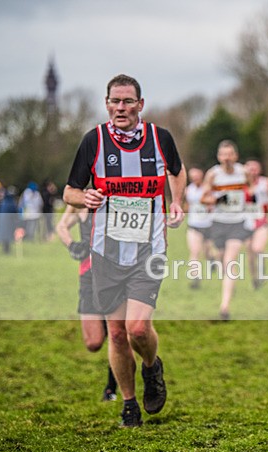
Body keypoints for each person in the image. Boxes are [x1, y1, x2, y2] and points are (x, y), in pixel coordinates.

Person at [63, 74, 186, 427]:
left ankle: (152, 367)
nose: (121, 108)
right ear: (107, 105)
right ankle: (129, 403)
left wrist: (176, 201)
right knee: (116, 332)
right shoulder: (94, 141)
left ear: (140, 105)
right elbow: (70, 191)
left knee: (137, 328)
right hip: (105, 252)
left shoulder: (160, 139)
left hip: (150, 248)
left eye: (128, 101)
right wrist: (82, 196)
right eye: (115, 101)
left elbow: (178, 171)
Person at [56, 204, 118, 401]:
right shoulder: (82, 199)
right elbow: (62, 225)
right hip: (88, 274)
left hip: (118, 273)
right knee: (93, 342)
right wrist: (72, 245)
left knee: (117, 335)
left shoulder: (120, 194)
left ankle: (112, 387)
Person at [201, 140, 250, 320]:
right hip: (218, 222)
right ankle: (228, 282)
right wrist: (218, 200)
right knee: (222, 261)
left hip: (237, 222)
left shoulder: (243, 172)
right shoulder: (213, 174)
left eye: (230, 154)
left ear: (235, 156)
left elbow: (252, 192)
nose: (227, 158)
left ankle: (224, 307)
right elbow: (203, 198)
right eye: (223, 155)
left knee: (230, 261)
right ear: (218, 157)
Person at [242, 158, 268, 290]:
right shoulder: (240, 185)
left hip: (262, 221)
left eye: (255, 168)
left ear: (259, 170)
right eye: (249, 168)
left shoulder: (266, 183)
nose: (252, 171)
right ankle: (255, 279)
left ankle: (262, 270)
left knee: (258, 248)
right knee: (250, 254)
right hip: (245, 223)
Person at [183, 167, 215, 289]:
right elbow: (187, 205)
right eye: (193, 177)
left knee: (208, 251)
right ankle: (195, 278)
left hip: (208, 225)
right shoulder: (188, 190)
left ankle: (211, 259)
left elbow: (215, 201)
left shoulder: (208, 189)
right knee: (195, 252)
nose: (195, 179)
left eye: (197, 176)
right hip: (194, 225)